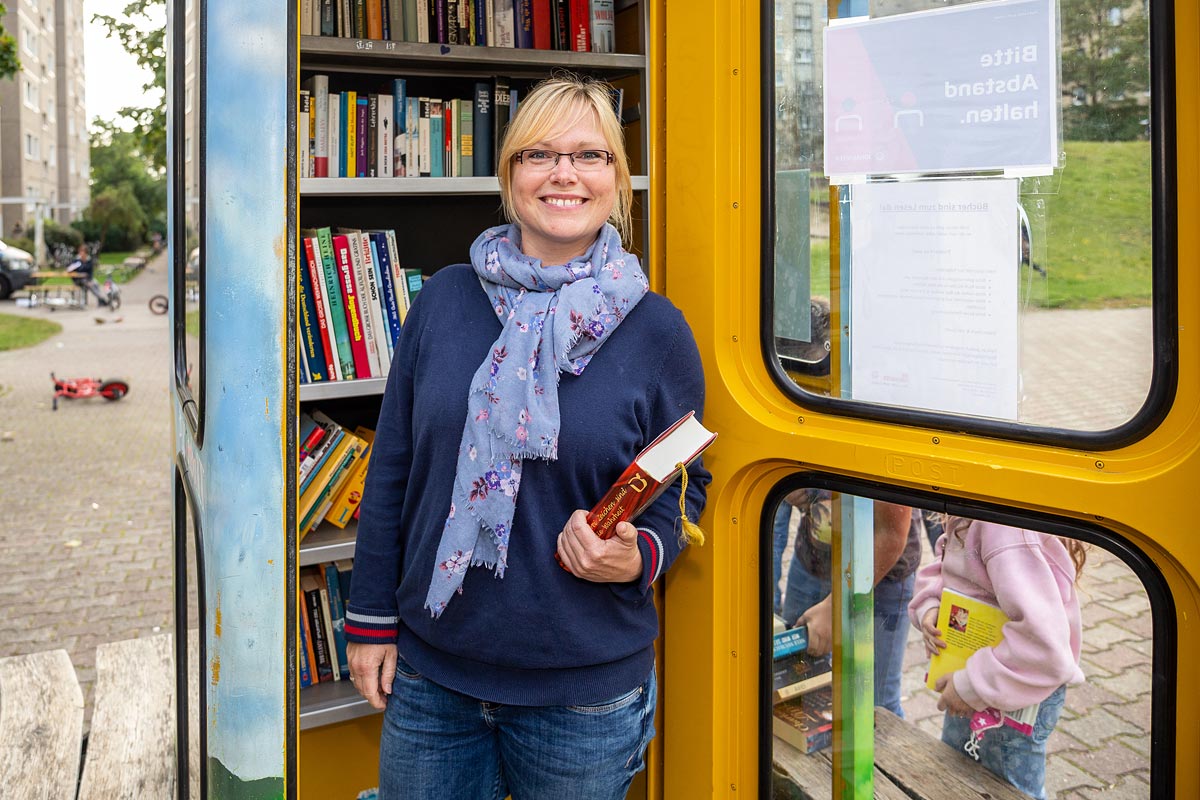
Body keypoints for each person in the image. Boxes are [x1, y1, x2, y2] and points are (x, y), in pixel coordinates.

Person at [344, 73, 710, 800]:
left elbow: (686, 484)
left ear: (617, 179)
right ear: (510, 176)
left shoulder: (658, 329)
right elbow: (392, 469)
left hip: (583, 699)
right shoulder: (443, 301)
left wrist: (639, 555)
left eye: (591, 156)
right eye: (539, 154)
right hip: (433, 675)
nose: (564, 173)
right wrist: (371, 622)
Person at [908, 517, 1086, 800]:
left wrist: (971, 687)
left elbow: (1044, 646)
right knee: (958, 776)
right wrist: (932, 606)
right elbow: (948, 565)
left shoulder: (1004, 530)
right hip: (978, 679)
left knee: (1008, 789)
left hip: (1013, 690)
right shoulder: (971, 516)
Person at [777, 489, 920, 717]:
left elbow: (891, 533)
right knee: (792, 689)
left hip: (878, 577)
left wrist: (838, 606)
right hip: (813, 560)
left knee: (873, 706)